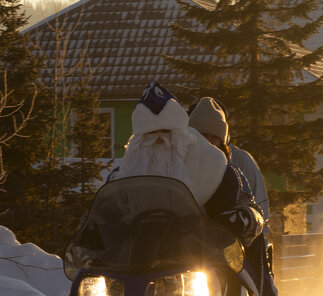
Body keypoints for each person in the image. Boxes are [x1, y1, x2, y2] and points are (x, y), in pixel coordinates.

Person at [108, 82, 263, 250]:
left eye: (166, 132)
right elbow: (104, 215)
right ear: (138, 140)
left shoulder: (213, 167)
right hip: (132, 259)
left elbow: (237, 204)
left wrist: (237, 220)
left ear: (181, 136)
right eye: (150, 134)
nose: (159, 139)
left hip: (195, 258)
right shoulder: (121, 176)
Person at [187, 96, 279, 296]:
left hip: (232, 250)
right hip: (189, 251)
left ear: (223, 139)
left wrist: (246, 224)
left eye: (214, 138)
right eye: (202, 136)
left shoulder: (238, 163)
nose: (208, 143)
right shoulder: (180, 164)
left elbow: (257, 209)